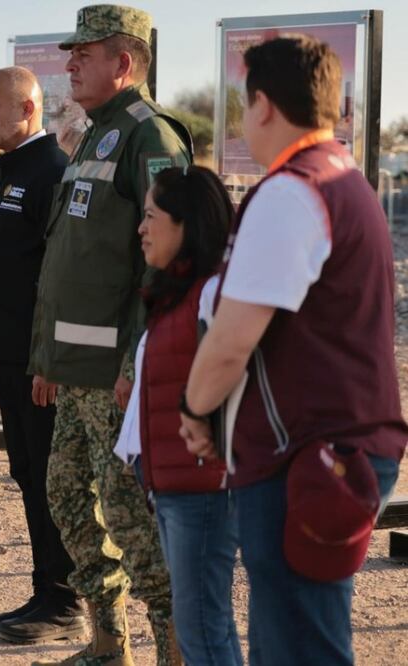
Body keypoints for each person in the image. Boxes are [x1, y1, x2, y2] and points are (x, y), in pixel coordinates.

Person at [181, 35, 407, 666]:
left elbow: (232, 338)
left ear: (262, 105)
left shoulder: (292, 191)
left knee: (296, 647)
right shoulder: (343, 177)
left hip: (305, 454)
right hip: (330, 446)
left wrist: (196, 411)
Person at [27, 5, 191, 665]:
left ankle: (176, 649)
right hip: (77, 368)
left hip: (118, 376)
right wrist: (49, 359)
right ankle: (106, 642)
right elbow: (74, 258)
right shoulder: (96, 135)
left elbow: (168, 264)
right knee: (67, 496)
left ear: (123, 63)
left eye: (83, 55)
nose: (70, 65)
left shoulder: (151, 139)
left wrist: (134, 363)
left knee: (132, 518)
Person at [0, 67, 84, 643]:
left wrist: (47, 360)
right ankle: (45, 591)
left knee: (48, 477)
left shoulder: (50, 173)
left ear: (29, 109)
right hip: (11, 359)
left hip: (39, 364)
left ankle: (64, 602)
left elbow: (56, 279)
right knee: (27, 474)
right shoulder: (10, 173)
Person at [113, 165, 241, 665]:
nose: (141, 228)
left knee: (201, 628)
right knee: (205, 624)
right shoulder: (178, 292)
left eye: (150, 216)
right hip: (174, 484)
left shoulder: (211, 292)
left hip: (202, 488)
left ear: (185, 222)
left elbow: (236, 377)